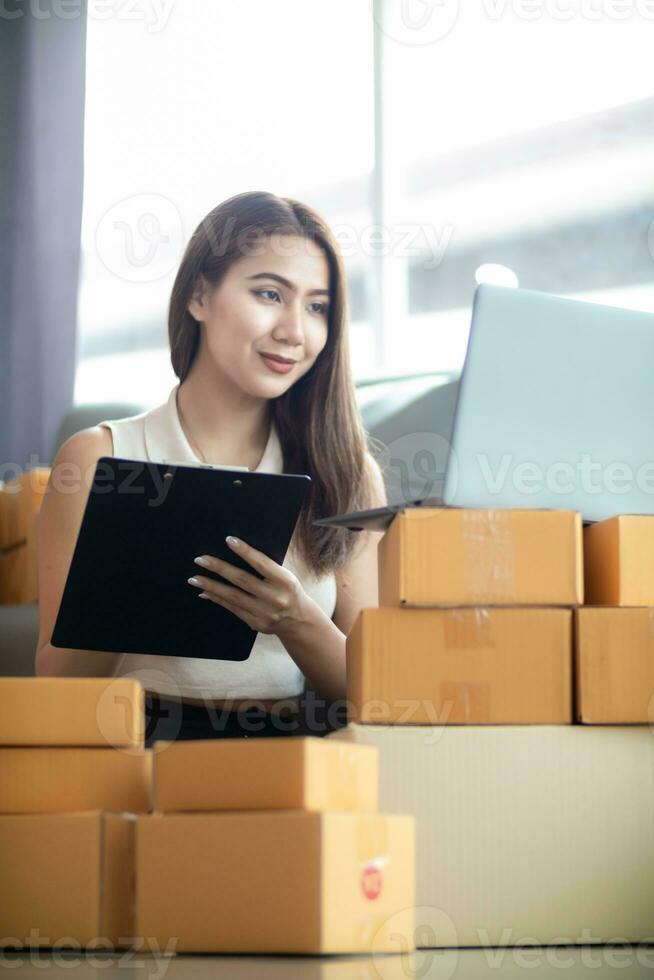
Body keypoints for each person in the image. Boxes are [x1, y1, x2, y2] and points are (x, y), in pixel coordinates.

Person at [35, 190, 388, 746]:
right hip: (139, 750)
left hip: (290, 757)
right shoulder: (100, 459)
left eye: (317, 306)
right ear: (200, 294)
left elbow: (376, 694)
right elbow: (56, 685)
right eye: (270, 293)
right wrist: (124, 587)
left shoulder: (347, 473)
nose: (295, 331)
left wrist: (295, 618)